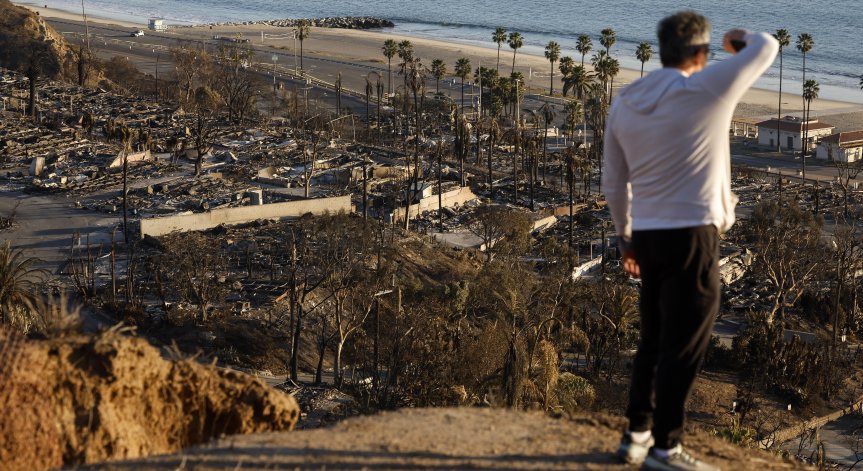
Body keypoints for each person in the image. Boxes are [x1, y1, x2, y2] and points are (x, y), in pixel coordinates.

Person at [602, 10, 778, 471]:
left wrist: (626, 240)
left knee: (654, 338)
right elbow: (767, 46)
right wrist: (735, 39)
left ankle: (637, 435)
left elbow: (613, 184)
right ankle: (666, 448)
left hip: (647, 234)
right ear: (700, 54)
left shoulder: (626, 100)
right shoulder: (709, 86)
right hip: (694, 236)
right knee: (686, 344)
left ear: (661, 52)